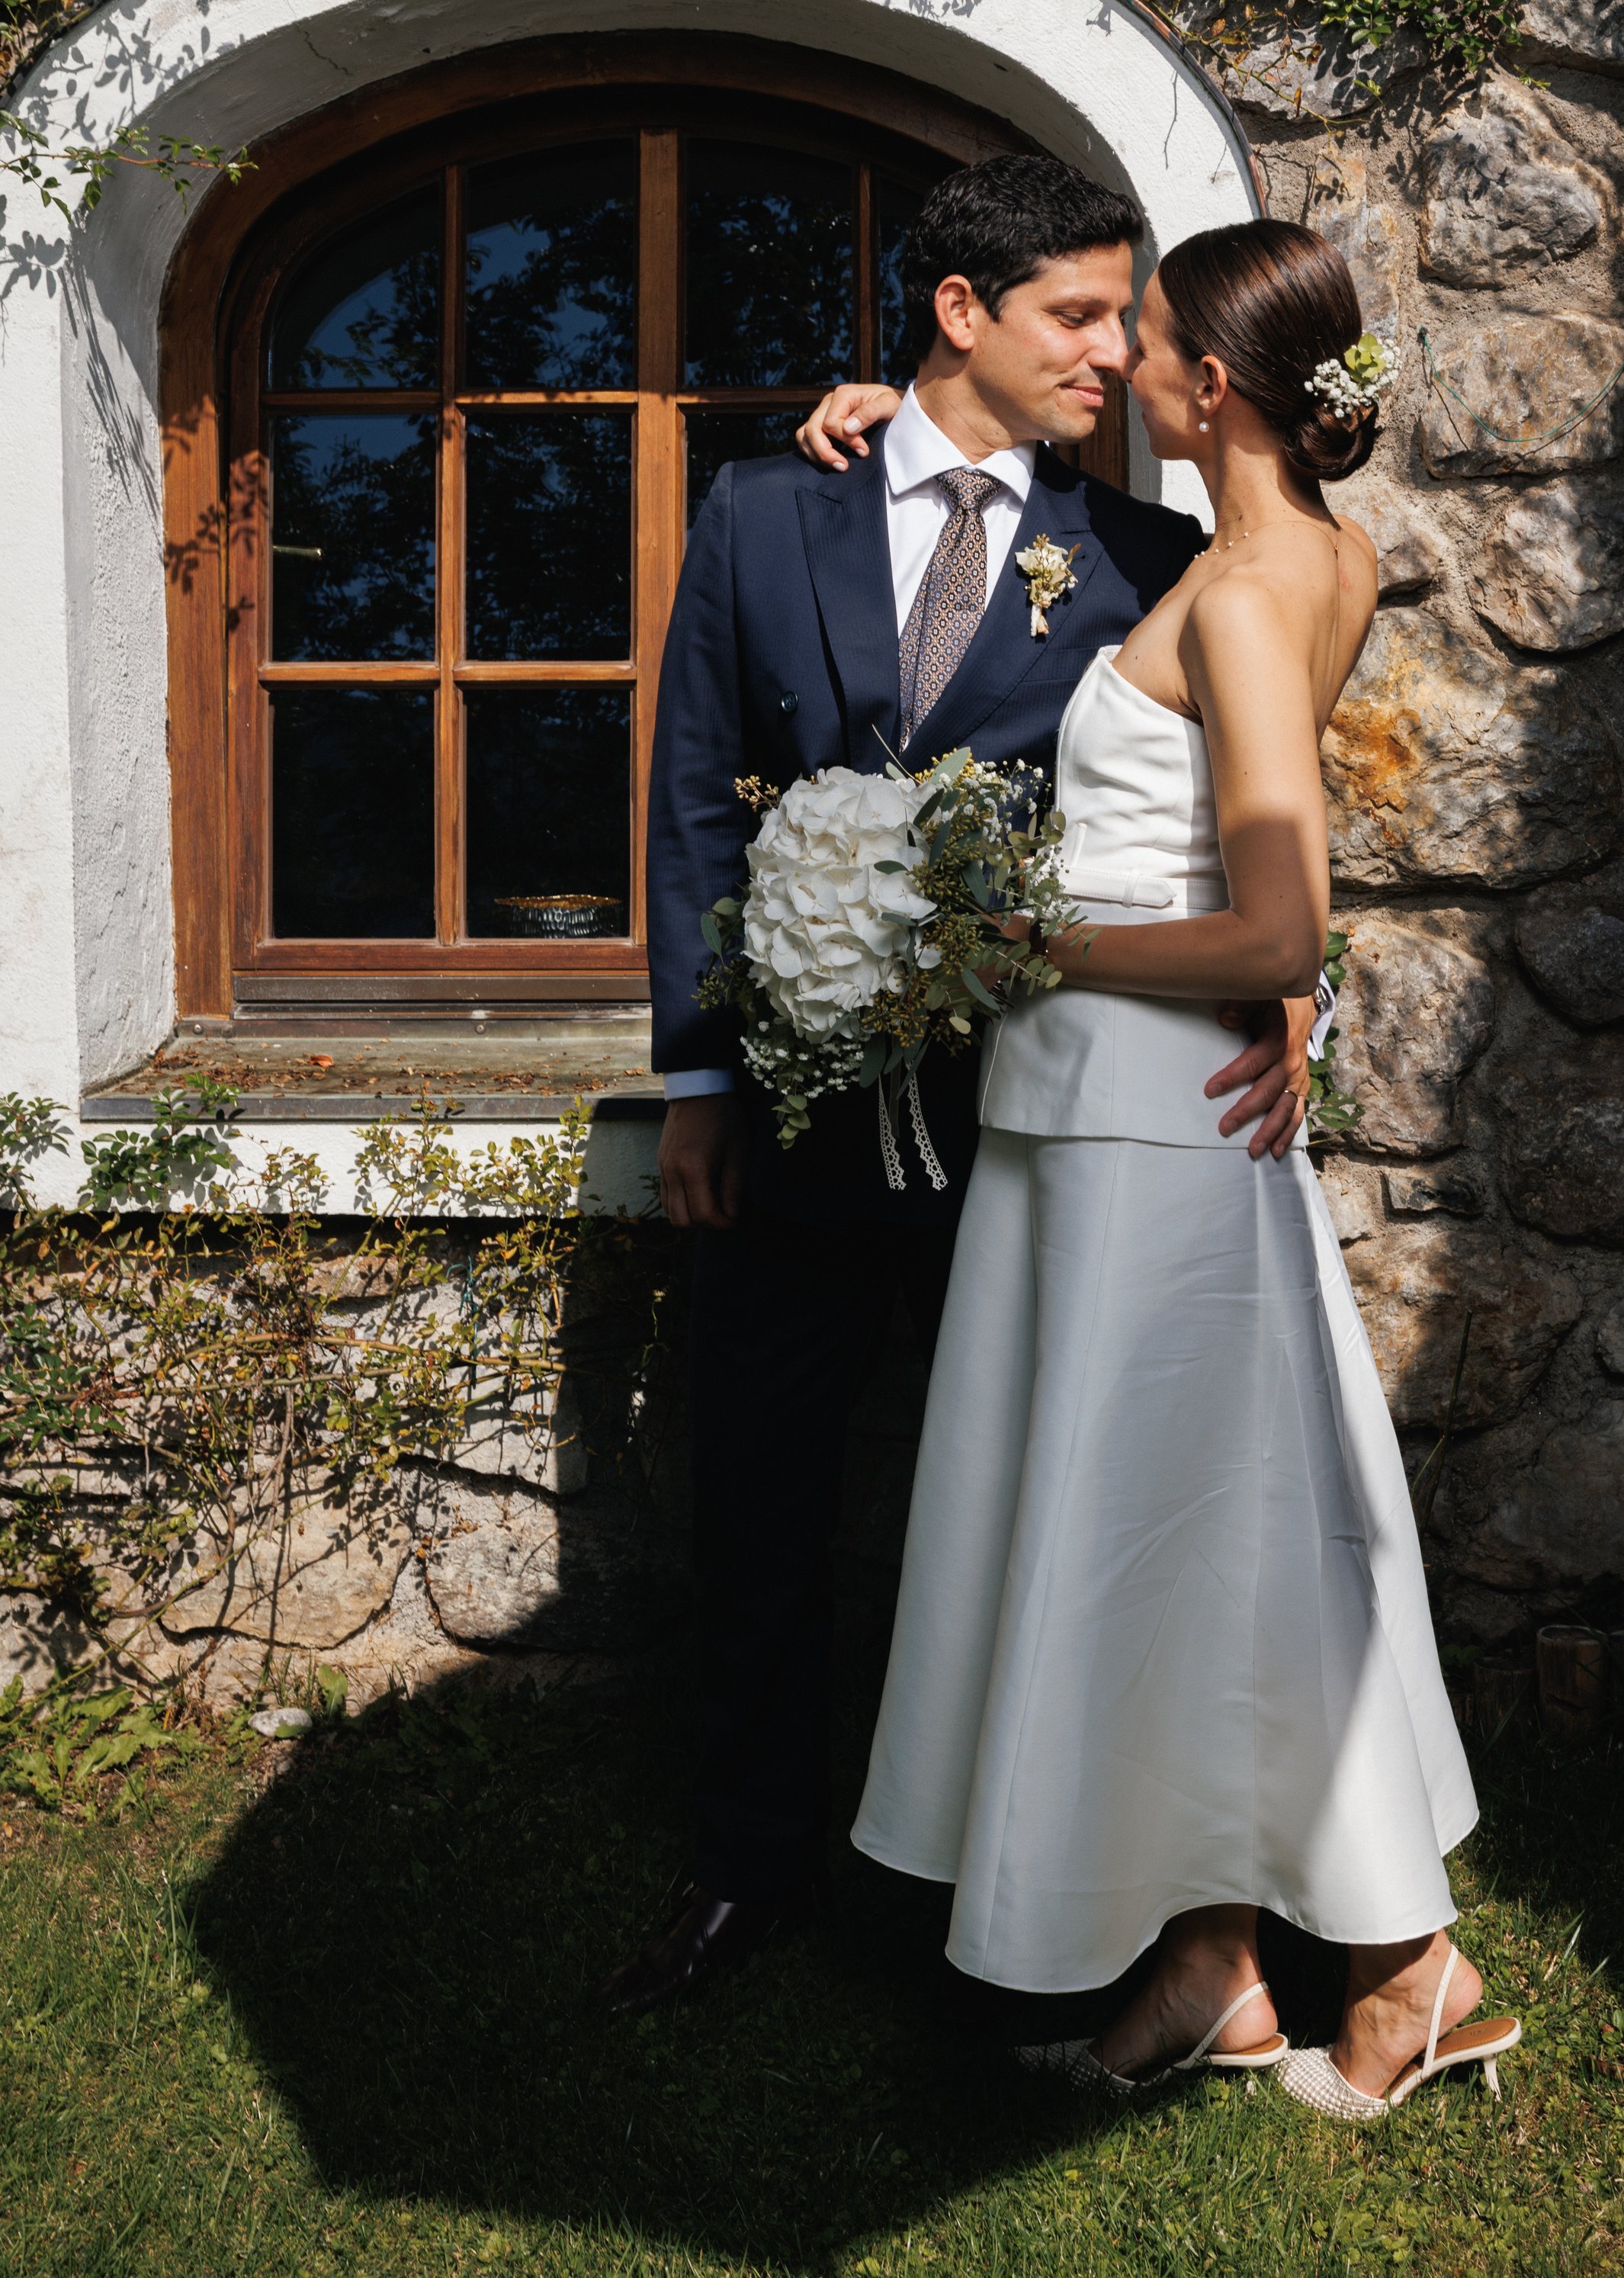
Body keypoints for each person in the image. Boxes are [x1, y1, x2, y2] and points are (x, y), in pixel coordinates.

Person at [823, 219, 1518, 2120]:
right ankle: (1210, 1969)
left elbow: (1277, 924)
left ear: (1209, 389)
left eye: (1139, 339)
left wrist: (1027, 946)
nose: (1114, 357)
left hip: (1146, 1126)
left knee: (1186, 1544)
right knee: (1184, 1551)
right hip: (1122, 1118)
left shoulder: (1231, 594)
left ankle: (1400, 1972)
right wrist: (898, 416)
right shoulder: (1318, 555)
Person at [608, 160, 1314, 2018]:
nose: (1115, 351)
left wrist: (1283, 990)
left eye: (1125, 319)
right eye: (1078, 315)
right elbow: (693, 798)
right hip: (797, 1117)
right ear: (957, 313)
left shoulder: (1157, 559)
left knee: (1040, 1505)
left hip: (1048, 1123)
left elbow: (1240, 816)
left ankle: (1048, 1886)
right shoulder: (766, 511)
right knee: (759, 1502)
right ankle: (747, 1866)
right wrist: (696, 1074)